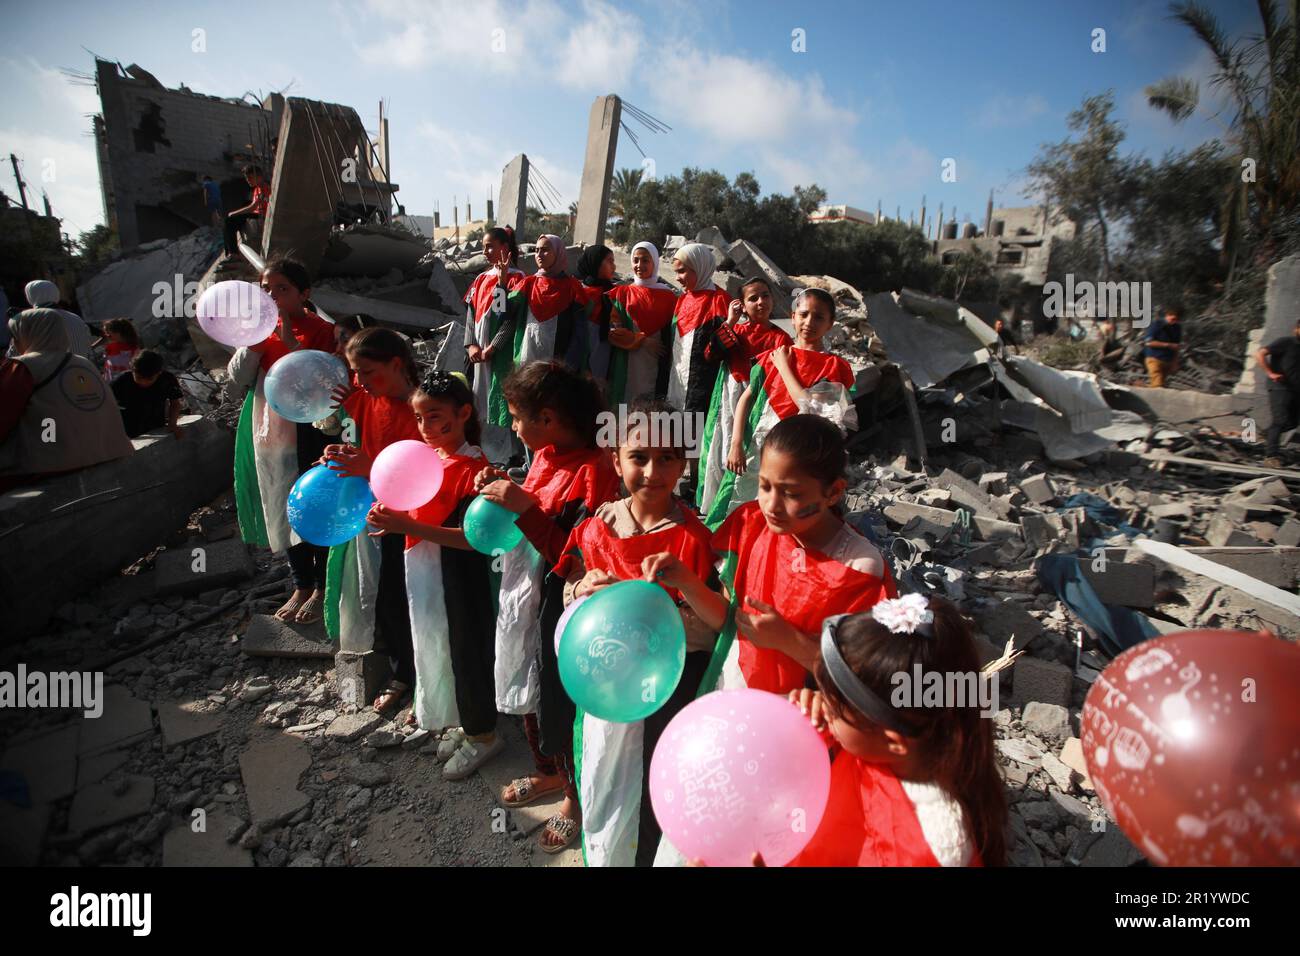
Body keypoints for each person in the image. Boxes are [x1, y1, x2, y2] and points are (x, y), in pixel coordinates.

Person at [556, 397, 719, 866]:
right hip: (606, 683)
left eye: (666, 458)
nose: (652, 472)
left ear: (684, 463)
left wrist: (654, 617)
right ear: (615, 459)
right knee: (604, 774)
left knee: (655, 784)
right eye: (639, 457)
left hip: (668, 689)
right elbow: (571, 595)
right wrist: (582, 590)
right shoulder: (597, 530)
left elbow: (711, 628)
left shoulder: (694, 539)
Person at [476, 360, 620, 853]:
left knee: (560, 695)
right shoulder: (545, 454)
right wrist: (510, 491)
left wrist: (524, 508)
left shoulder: (595, 470)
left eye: (518, 417)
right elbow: (534, 502)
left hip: (562, 600)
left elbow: (577, 559)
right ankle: (549, 773)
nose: (513, 426)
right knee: (529, 684)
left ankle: (574, 801)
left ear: (550, 417)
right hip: (525, 590)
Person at [784, 594, 1006, 866]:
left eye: (835, 708)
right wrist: (820, 716)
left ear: (893, 740)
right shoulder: (890, 743)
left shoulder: (935, 846)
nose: (824, 708)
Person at [365, 371, 504, 777]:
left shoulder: (475, 471)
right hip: (427, 569)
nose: (425, 427)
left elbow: (471, 540)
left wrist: (406, 527)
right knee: (437, 643)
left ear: (463, 413)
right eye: (420, 418)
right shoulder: (435, 459)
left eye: (434, 416)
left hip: (461, 577)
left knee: (466, 647)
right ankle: (463, 719)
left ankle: (485, 734)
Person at [229, 258, 337, 624]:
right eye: (266, 288)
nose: (271, 296)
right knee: (281, 500)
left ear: (304, 294)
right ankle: (300, 582)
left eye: (282, 289)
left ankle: (323, 583)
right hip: (269, 427)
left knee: (314, 500)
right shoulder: (260, 331)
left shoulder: (322, 330)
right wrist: (255, 346)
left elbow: (328, 381)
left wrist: (291, 343)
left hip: (311, 428)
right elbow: (238, 379)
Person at [322, 328, 423, 716]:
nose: (359, 381)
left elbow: (428, 471)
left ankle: (421, 678)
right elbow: (367, 448)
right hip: (377, 515)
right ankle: (403, 673)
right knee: (386, 597)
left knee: (411, 598)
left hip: (413, 520)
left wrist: (371, 467)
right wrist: (343, 455)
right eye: (355, 373)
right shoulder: (367, 399)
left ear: (396, 364)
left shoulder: (424, 408)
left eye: (367, 371)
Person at [707, 287, 856, 527]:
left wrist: (784, 368)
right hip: (757, 449)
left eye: (819, 317)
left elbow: (812, 409)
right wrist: (736, 444)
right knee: (743, 505)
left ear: (831, 323)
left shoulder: (834, 367)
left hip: (802, 456)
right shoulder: (771, 357)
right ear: (793, 315)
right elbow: (746, 398)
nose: (809, 322)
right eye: (804, 314)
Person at [0, 309, 133, 490]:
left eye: (16, 336)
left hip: (49, 466)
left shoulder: (25, 366)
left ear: (28, 334)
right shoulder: (83, 363)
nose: (14, 342)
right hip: (107, 454)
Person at [697, 276, 792, 517]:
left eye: (766, 296)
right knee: (722, 447)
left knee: (752, 455)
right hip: (729, 398)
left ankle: (740, 509)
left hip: (761, 400)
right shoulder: (735, 331)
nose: (761, 302)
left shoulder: (780, 338)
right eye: (753, 298)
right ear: (742, 304)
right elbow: (710, 354)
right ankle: (714, 508)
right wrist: (729, 320)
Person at [463, 226, 526, 461]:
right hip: (479, 353)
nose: (485, 250)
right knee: (479, 400)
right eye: (483, 246)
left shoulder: (518, 279)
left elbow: (506, 317)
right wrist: (471, 345)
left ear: (505, 248)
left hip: (500, 354)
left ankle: (508, 457)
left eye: (490, 245)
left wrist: (494, 347)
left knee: (502, 398)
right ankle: (485, 454)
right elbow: (470, 316)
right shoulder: (480, 279)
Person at [499, 235, 596, 377]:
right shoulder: (528, 284)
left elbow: (580, 333)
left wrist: (568, 366)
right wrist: (501, 283)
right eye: (537, 250)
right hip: (527, 366)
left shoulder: (572, 287)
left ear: (558, 252)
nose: (539, 254)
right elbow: (501, 313)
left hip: (558, 370)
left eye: (545, 250)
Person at [601, 241, 676, 409]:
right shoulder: (622, 293)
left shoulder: (669, 297)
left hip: (657, 362)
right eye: (635, 260)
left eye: (645, 260)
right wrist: (642, 340)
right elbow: (613, 332)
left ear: (655, 263)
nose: (639, 265)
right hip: (627, 361)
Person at [110, 349, 184, 439]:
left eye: (150, 379)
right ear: (132, 370)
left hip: (156, 427)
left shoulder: (167, 379)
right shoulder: (121, 382)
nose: (144, 382)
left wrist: (172, 423)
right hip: (128, 431)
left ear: (159, 373)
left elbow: (175, 403)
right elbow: (106, 407)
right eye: (139, 377)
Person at [1256, 318, 1300, 467]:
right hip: (1279, 387)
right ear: (1297, 329)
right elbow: (1260, 353)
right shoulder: (1286, 342)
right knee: (1280, 421)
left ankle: (1267, 435)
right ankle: (1271, 456)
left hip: (1295, 390)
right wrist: (1270, 373)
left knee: (1292, 423)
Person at [23, 280, 92, 359]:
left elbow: (14, 354)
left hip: (51, 370)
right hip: (82, 368)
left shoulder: (28, 321)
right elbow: (87, 346)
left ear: (30, 295)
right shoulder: (76, 318)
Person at [221, 165, 270, 261]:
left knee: (229, 220)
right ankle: (230, 254)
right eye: (247, 178)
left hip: (261, 215)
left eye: (250, 177)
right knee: (228, 223)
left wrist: (234, 213)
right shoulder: (257, 189)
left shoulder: (265, 188)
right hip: (255, 214)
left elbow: (253, 207)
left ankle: (233, 254)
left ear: (259, 176)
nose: (248, 180)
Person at [1143, 305, 1183, 388]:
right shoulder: (1157, 324)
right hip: (1154, 359)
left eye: (1177, 320)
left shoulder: (1177, 328)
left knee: (1161, 385)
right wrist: (1167, 345)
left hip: (1167, 361)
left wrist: (1175, 363)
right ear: (1167, 315)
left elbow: (1176, 347)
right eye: (1173, 319)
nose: (1174, 321)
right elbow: (1149, 342)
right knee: (1158, 385)